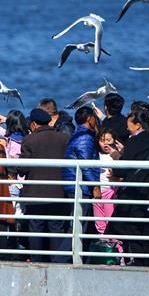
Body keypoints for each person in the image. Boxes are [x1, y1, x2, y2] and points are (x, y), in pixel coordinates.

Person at [110, 109, 149, 266]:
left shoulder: (134, 141)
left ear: (137, 125)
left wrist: (116, 158)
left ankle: (140, 262)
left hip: (136, 193)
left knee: (131, 227)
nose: (127, 128)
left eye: (129, 125)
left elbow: (123, 169)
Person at [21, 107, 70, 263]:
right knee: (56, 228)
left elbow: (23, 168)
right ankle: (56, 262)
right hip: (58, 193)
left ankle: (37, 262)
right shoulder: (63, 138)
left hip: (35, 194)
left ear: (34, 124)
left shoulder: (29, 140)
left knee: (36, 228)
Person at [63, 106, 101, 259]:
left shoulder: (77, 134)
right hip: (79, 187)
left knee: (79, 226)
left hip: (74, 185)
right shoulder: (85, 137)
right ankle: (61, 258)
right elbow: (86, 164)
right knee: (78, 227)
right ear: (90, 118)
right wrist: (95, 186)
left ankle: (74, 258)